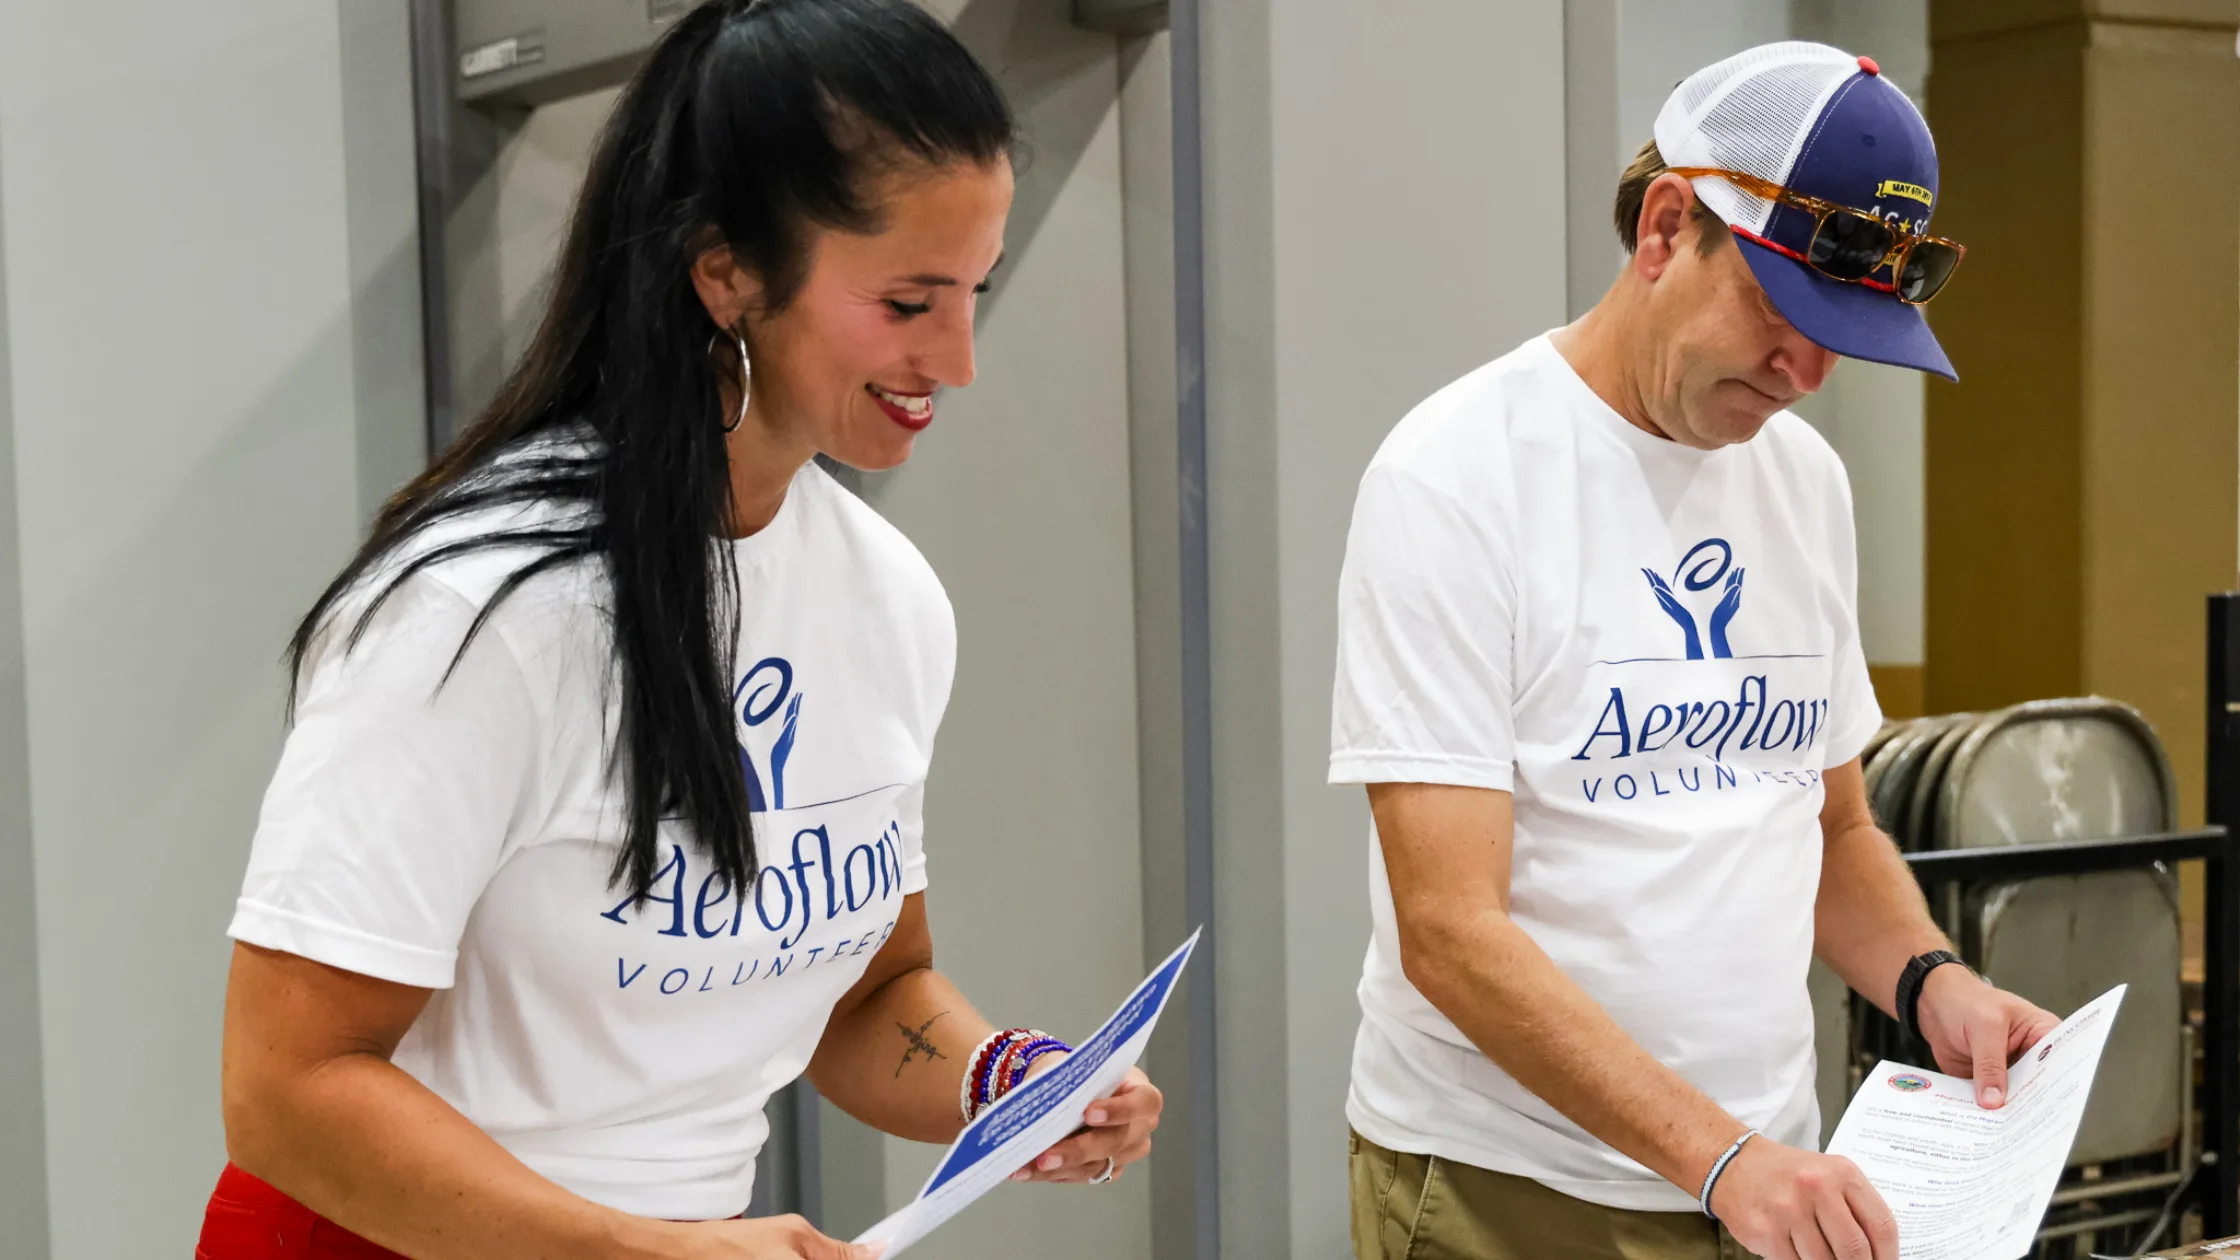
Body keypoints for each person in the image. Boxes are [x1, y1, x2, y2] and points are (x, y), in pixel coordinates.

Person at [198, 3, 1161, 1257]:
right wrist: (647, 1252)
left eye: (972, 292)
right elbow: (286, 1087)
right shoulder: (481, 612)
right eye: (907, 302)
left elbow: (865, 994)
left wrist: (1007, 1084)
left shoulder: (886, 596)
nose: (958, 360)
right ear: (727, 276)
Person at [1332, 42, 2056, 1260]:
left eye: (1844, 335)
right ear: (1667, 228)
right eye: (1783, 311)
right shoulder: (1456, 475)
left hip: (1765, 1178)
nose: (1807, 373)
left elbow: (1829, 826)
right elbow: (1449, 932)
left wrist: (1933, 982)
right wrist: (1719, 1160)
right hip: (1516, 1188)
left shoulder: (1801, 482)